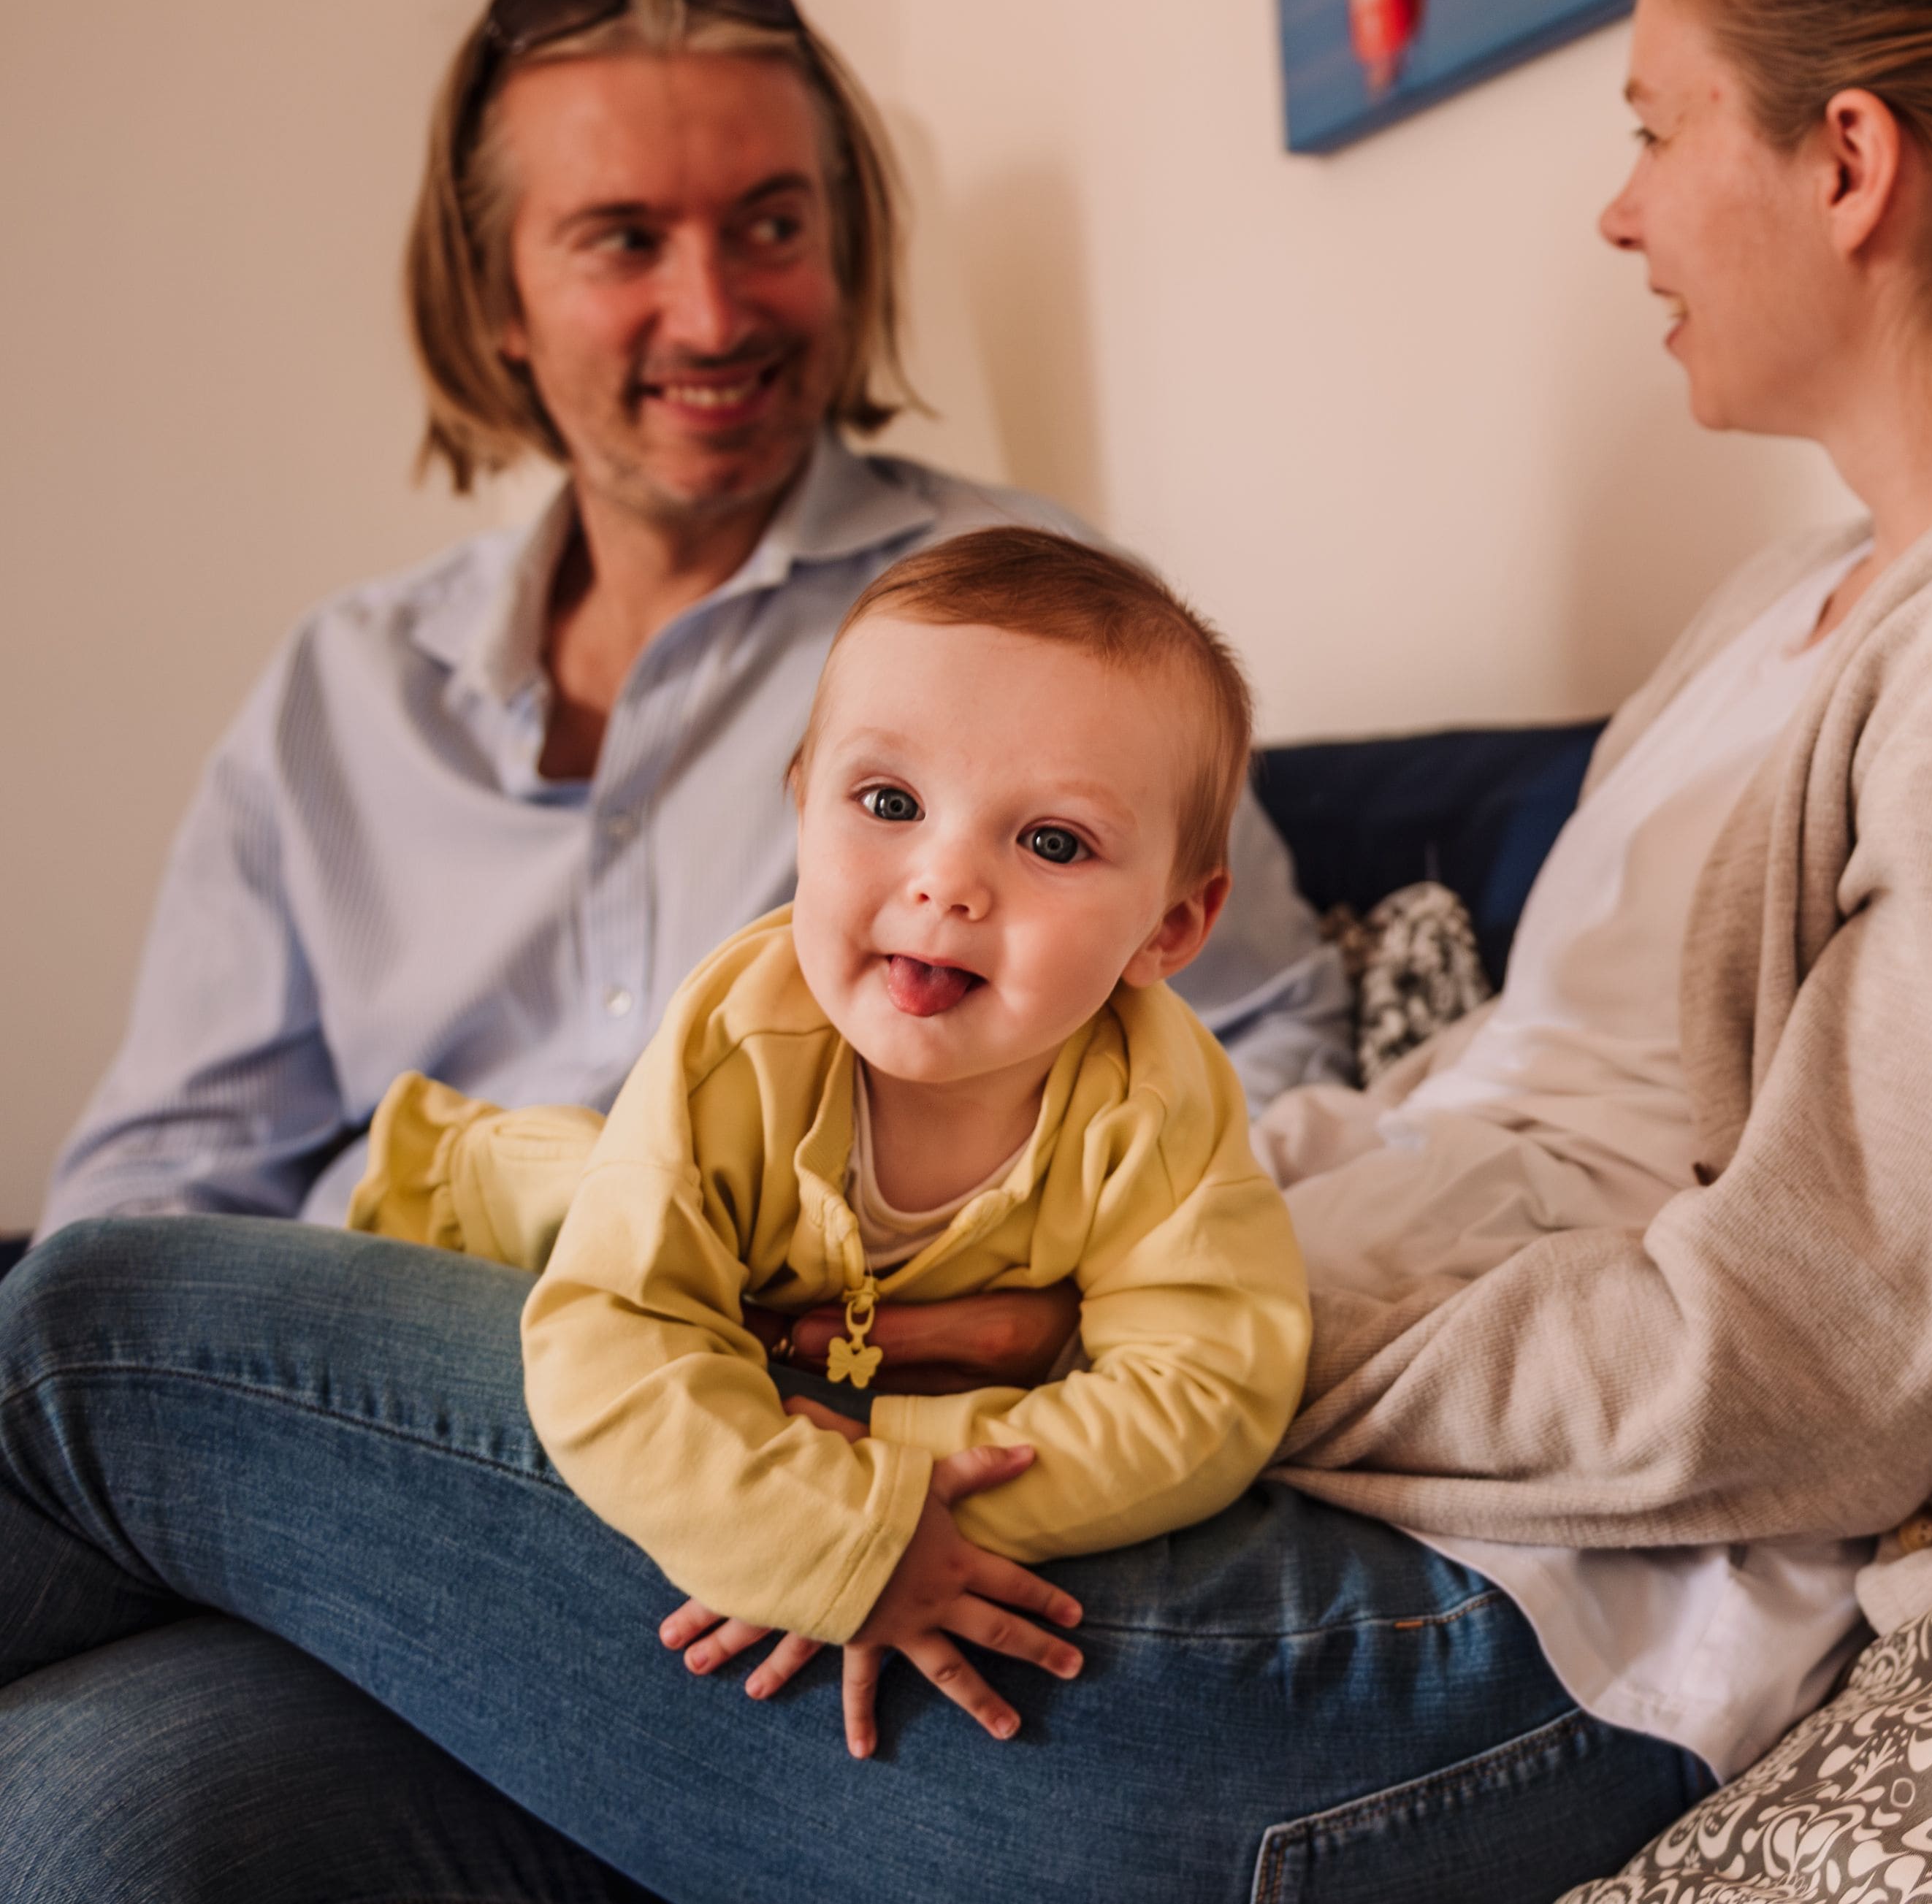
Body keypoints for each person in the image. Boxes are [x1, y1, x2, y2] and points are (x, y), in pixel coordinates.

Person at [0, 0, 1932, 1897]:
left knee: (100, 1325)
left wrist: (1146, 1347)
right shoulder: (1784, 600)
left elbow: (1824, 1357)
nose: (1618, 204)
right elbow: (1441, 1128)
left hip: (1506, 1634)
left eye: (1650, 125)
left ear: (1841, 165)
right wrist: (1013, 1327)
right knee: (126, 1804)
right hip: (1203, 1482)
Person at [35, 0, 1351, 1250]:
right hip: (359, 1341)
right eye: (623, 239)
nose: (715, 316)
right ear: (497, 294)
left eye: (771, 226)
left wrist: (1004, 1276)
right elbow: (149, 1192)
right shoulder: (342, 689)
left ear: (845, 247)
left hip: (778, 1363)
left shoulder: (1043, 619)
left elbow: (1270, 1035)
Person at [355, 528, 1310, 1760]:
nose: (947, 881)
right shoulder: (736, 1045)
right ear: (804, 801)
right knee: (567, 1221)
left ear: (1170, 927)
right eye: (890, 804)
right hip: (502, 1241)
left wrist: (898, 1480)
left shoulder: (1158, 1099)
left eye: (1054, 842)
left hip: (832, 1367)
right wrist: (827, 1541)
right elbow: (614, 1346)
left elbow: (1208, 1391)